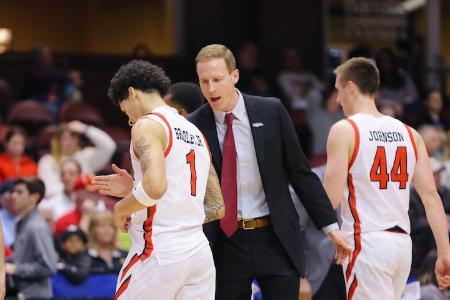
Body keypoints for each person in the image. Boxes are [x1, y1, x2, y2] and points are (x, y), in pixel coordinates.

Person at [187, 44, 351, 300]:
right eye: (204, 81)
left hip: (275, 236)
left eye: (217, 79)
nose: (210, 88)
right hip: (225, 243)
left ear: (235, 76)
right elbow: (184, 185)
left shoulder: (271, 110)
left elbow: (301, 174)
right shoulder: (194, 125)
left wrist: (331, 228)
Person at [92, 59, 224, 300]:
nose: (130, 120)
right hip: (198, 251)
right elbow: (216, 206)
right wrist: (133, 189)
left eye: (125, 110)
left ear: (132, 93)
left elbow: (155, 188)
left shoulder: (147, 125)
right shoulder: (194, 132)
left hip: (159, 250)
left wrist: (121, 208)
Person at [323, 57, 450, 300]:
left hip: (367, 243)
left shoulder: (345, 129)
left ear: (350, 86)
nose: (338, 100)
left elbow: (330, 198)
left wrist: (330, 233)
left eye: (338, 91)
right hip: (402, 246)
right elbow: (431, 196)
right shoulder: (411, 134)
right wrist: (445, 252)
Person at [5, 178, 57, 300]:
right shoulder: (23, 223)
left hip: (35, 296)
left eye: (19, 192)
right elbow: (22, 257)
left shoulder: (36, 227)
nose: (13, 196)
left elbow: (49, 266)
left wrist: (15, 269)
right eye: (13, 191)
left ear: (34, 197)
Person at [38, 120, 116, 198]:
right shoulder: (47, 161)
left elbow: (109, 147)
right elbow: (49, 189)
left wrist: (86, 129)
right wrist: (77, 189)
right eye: (64, 138)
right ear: (57, 141)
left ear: (77, 139)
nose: (69, 142)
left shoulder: (86, 156)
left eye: (73, 137)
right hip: (59, 204)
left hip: (86, 201)